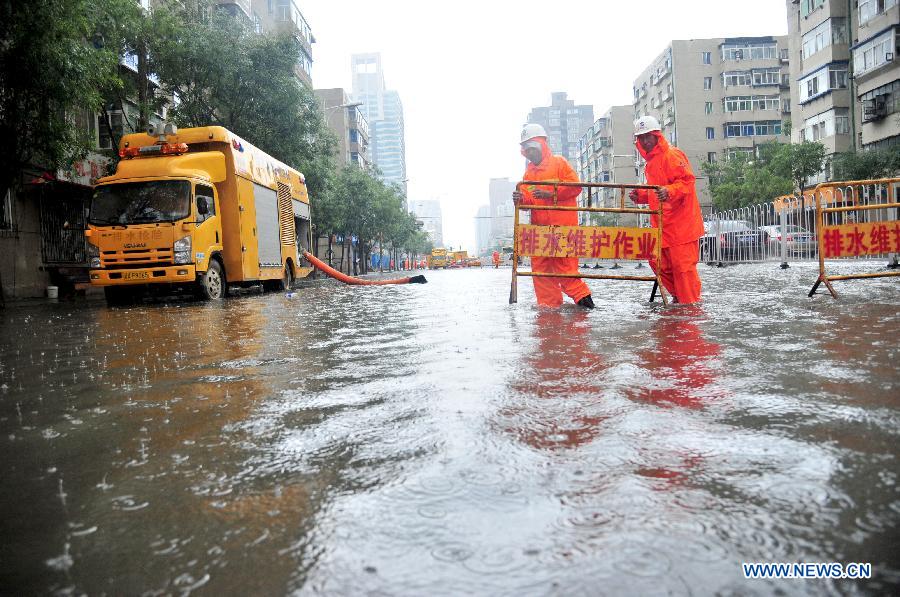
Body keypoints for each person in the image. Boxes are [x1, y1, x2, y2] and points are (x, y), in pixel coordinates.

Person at [512, 123, 594, 309]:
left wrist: (551, 193)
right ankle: (550, 315)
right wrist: (520, 199)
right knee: (541, 275)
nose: (530, 153)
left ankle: (588, 309)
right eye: (527, 150)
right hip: (540, 234)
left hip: (562, 231)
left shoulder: (560, 163)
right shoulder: (528, 174)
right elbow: (529, 201)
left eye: (532, 148)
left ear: (542, 144)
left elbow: (575, 187)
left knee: (566, 273)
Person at [628, 116, 704, 304]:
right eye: (641, 138)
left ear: (656, 136)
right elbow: (657, 191)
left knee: (683, 269)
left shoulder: (672, 155)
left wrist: (670, 191)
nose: (645, 141)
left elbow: (687, 182)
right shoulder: (651, 163)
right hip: (663, 228)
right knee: (657, 262)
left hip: (682, 228)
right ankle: (679, 298)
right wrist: (641, 196)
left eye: (648, 136)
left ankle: (690, 309)